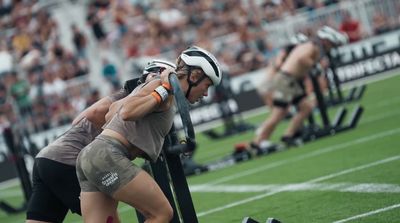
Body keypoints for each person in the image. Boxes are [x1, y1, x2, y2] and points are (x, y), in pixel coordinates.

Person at [76, 46, 222, 223]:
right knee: (161, 214)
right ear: (195, 76)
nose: (206, 94)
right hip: (107, 155)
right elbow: (126, 113)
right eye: (206, 86)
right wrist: (163, 91)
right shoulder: (163, 86)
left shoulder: (157, 85)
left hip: (90, 155)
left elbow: (111, 113)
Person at [25, 59, 176, 223]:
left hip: (47, 158)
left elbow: (77, 120)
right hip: (70, 160)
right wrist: (114, 132)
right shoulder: (128, 96)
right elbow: (93, 113)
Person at [251, 26, 348, 150]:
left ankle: (288, 135)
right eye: (332, 44)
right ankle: (258, 142)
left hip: (289, 81)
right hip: (287, 80)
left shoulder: (310, 45)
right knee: (279, 113)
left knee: (305, 107)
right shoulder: (313, 46)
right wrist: (315, 66)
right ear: (326, 40)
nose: (332, 47)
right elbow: (303, 59)